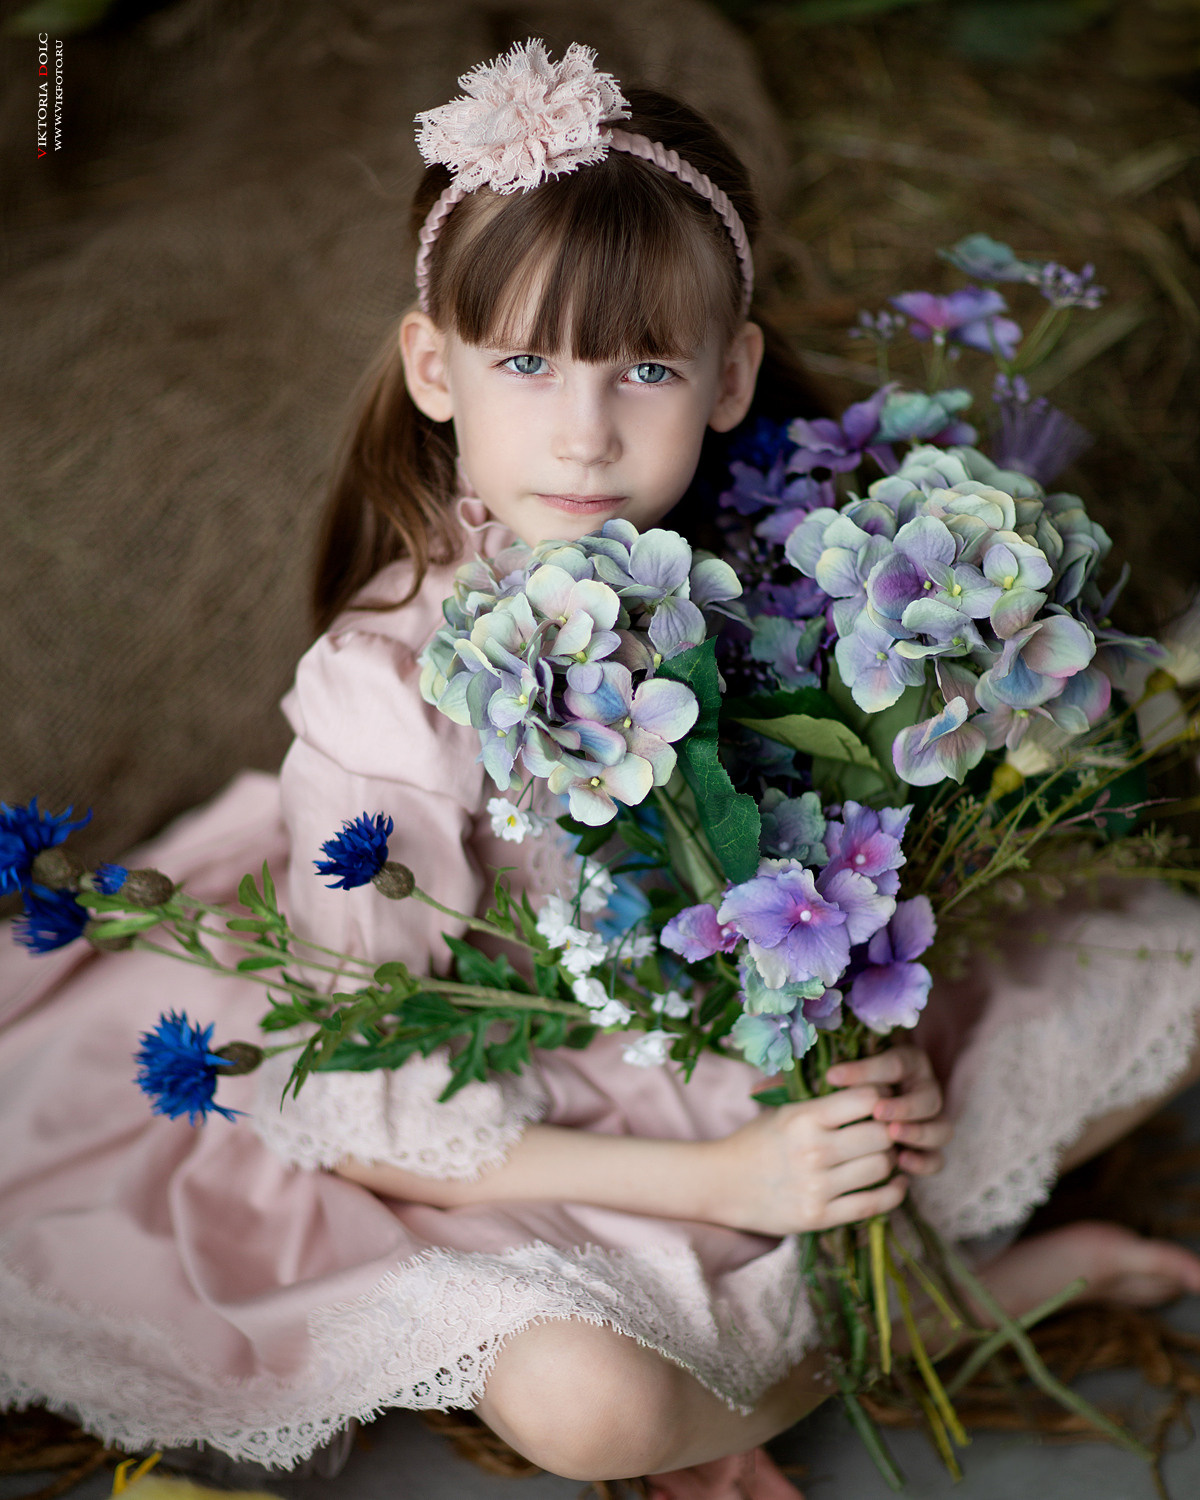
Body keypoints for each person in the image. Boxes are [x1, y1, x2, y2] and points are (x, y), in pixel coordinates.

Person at [2, 39, 1200, 1500]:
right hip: (520, 1123)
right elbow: (370, 1119)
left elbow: (857, 873)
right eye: (524, 362)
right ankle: (936, 1308)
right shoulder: (383, 714)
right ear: (434, 370)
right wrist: (726, 1187)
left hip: (735, 1047)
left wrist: (876, 1060)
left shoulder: (795, 572)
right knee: (590, 1412)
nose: (585, 432)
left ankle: (852, 1274)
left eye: (645, 366)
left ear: (731, 372)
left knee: (1174, 988)